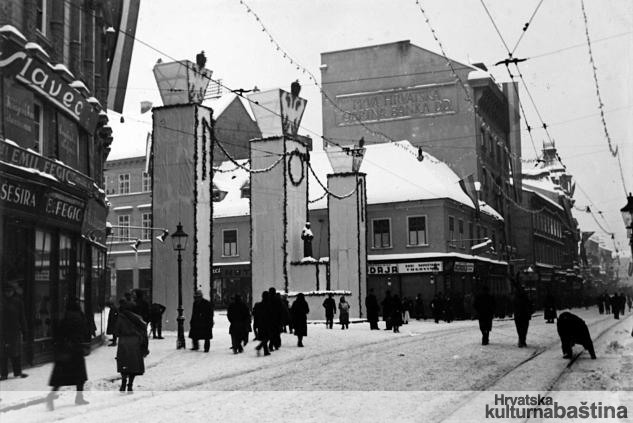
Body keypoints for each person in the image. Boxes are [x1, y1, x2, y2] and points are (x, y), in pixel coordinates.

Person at [46, 297, 90, 410]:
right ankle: (79, 397)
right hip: (76, 350)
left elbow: (58, 334)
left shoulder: (64, 319)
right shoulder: (80, 318)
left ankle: (51, 396)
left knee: (60, 377)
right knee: (79, 376)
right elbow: (85, 332)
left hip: (65, 351)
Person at [115, 300, 149, 392]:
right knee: (133, 365)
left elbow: (117, 331)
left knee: (124, 363)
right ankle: (130, 385)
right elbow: (144, 331)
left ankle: (123, 383)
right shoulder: (138, 318)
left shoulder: (121, 317)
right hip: (135, 342)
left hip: (123, 342)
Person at [1, 281, 28, 380]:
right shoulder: (2, 301)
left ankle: (17, 372)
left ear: (13, 291)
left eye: (10, 291)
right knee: (3, 354)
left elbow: (22, 317)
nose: (8, 293)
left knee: (16, 353)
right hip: (3, 332)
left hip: (15, 331)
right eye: (6, 291)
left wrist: (25, 331)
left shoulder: (18, 302)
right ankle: (4, 374)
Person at [252, 291, 271, 356]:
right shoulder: (269, 305)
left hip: (260, 323)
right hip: (268, 323)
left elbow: (254, 313)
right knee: (268, 336)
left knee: (264, 337)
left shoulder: (258, 305)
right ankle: (259, 347)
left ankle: (266, 351)